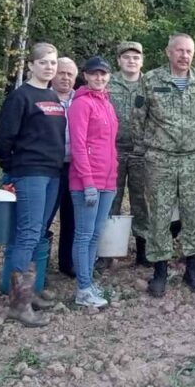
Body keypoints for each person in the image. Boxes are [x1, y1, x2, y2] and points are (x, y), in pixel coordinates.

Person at [0, 42, 67, 327]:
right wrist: (12, 166)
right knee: (27, 233)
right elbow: (1, 140)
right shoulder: (21, 96)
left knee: (39, 233)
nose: (49, 67)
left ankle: (30, 292)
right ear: (31, 65)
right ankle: (18, 305)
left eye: (53, 62)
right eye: (43, 62)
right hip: (29, 173)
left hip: (52, 173)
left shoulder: (53, 97)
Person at [136, 33, 195, 297]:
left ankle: (192, 271)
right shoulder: (150, 80)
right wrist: (150, 144)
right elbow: (138, 116)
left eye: (189, 51)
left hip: (193, 159)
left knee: (193, 213)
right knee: (160, 213)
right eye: (179, 51)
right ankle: (159, 272)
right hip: (160, 158)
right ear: (168, 52)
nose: (184, 56)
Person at [68, 56, 119, 308]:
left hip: (107, 181)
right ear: (85, 76)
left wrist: (114, 174)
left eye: (103, 74)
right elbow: (78, 145)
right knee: (84, 235)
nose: (99, 78)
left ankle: (88, 282)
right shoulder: (81, 104)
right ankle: (83, 288)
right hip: (87, 181)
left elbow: (109, 144)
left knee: (95, 235)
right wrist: (87, 181)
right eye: (94, 74)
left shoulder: (107, 103)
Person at [108, 42, 150, 267]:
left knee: (141, 201)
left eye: (135, 57)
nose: (131, 61)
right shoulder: (107, 82)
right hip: (113, 151)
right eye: (126, 57)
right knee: (111, 200)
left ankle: (143, 251)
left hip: (141, 152)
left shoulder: (149, 83)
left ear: (142, 61)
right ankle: (107, 251)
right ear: (119, 60)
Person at [48, 58, 78, 278]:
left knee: (72, 217)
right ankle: (37, 266)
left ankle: (67, 263)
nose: (65, 78)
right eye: (61, 73)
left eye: (70, 74)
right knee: (44, 217)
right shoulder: (43, 97)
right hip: (48, 166)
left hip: (75, 166)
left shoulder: (81, 99)